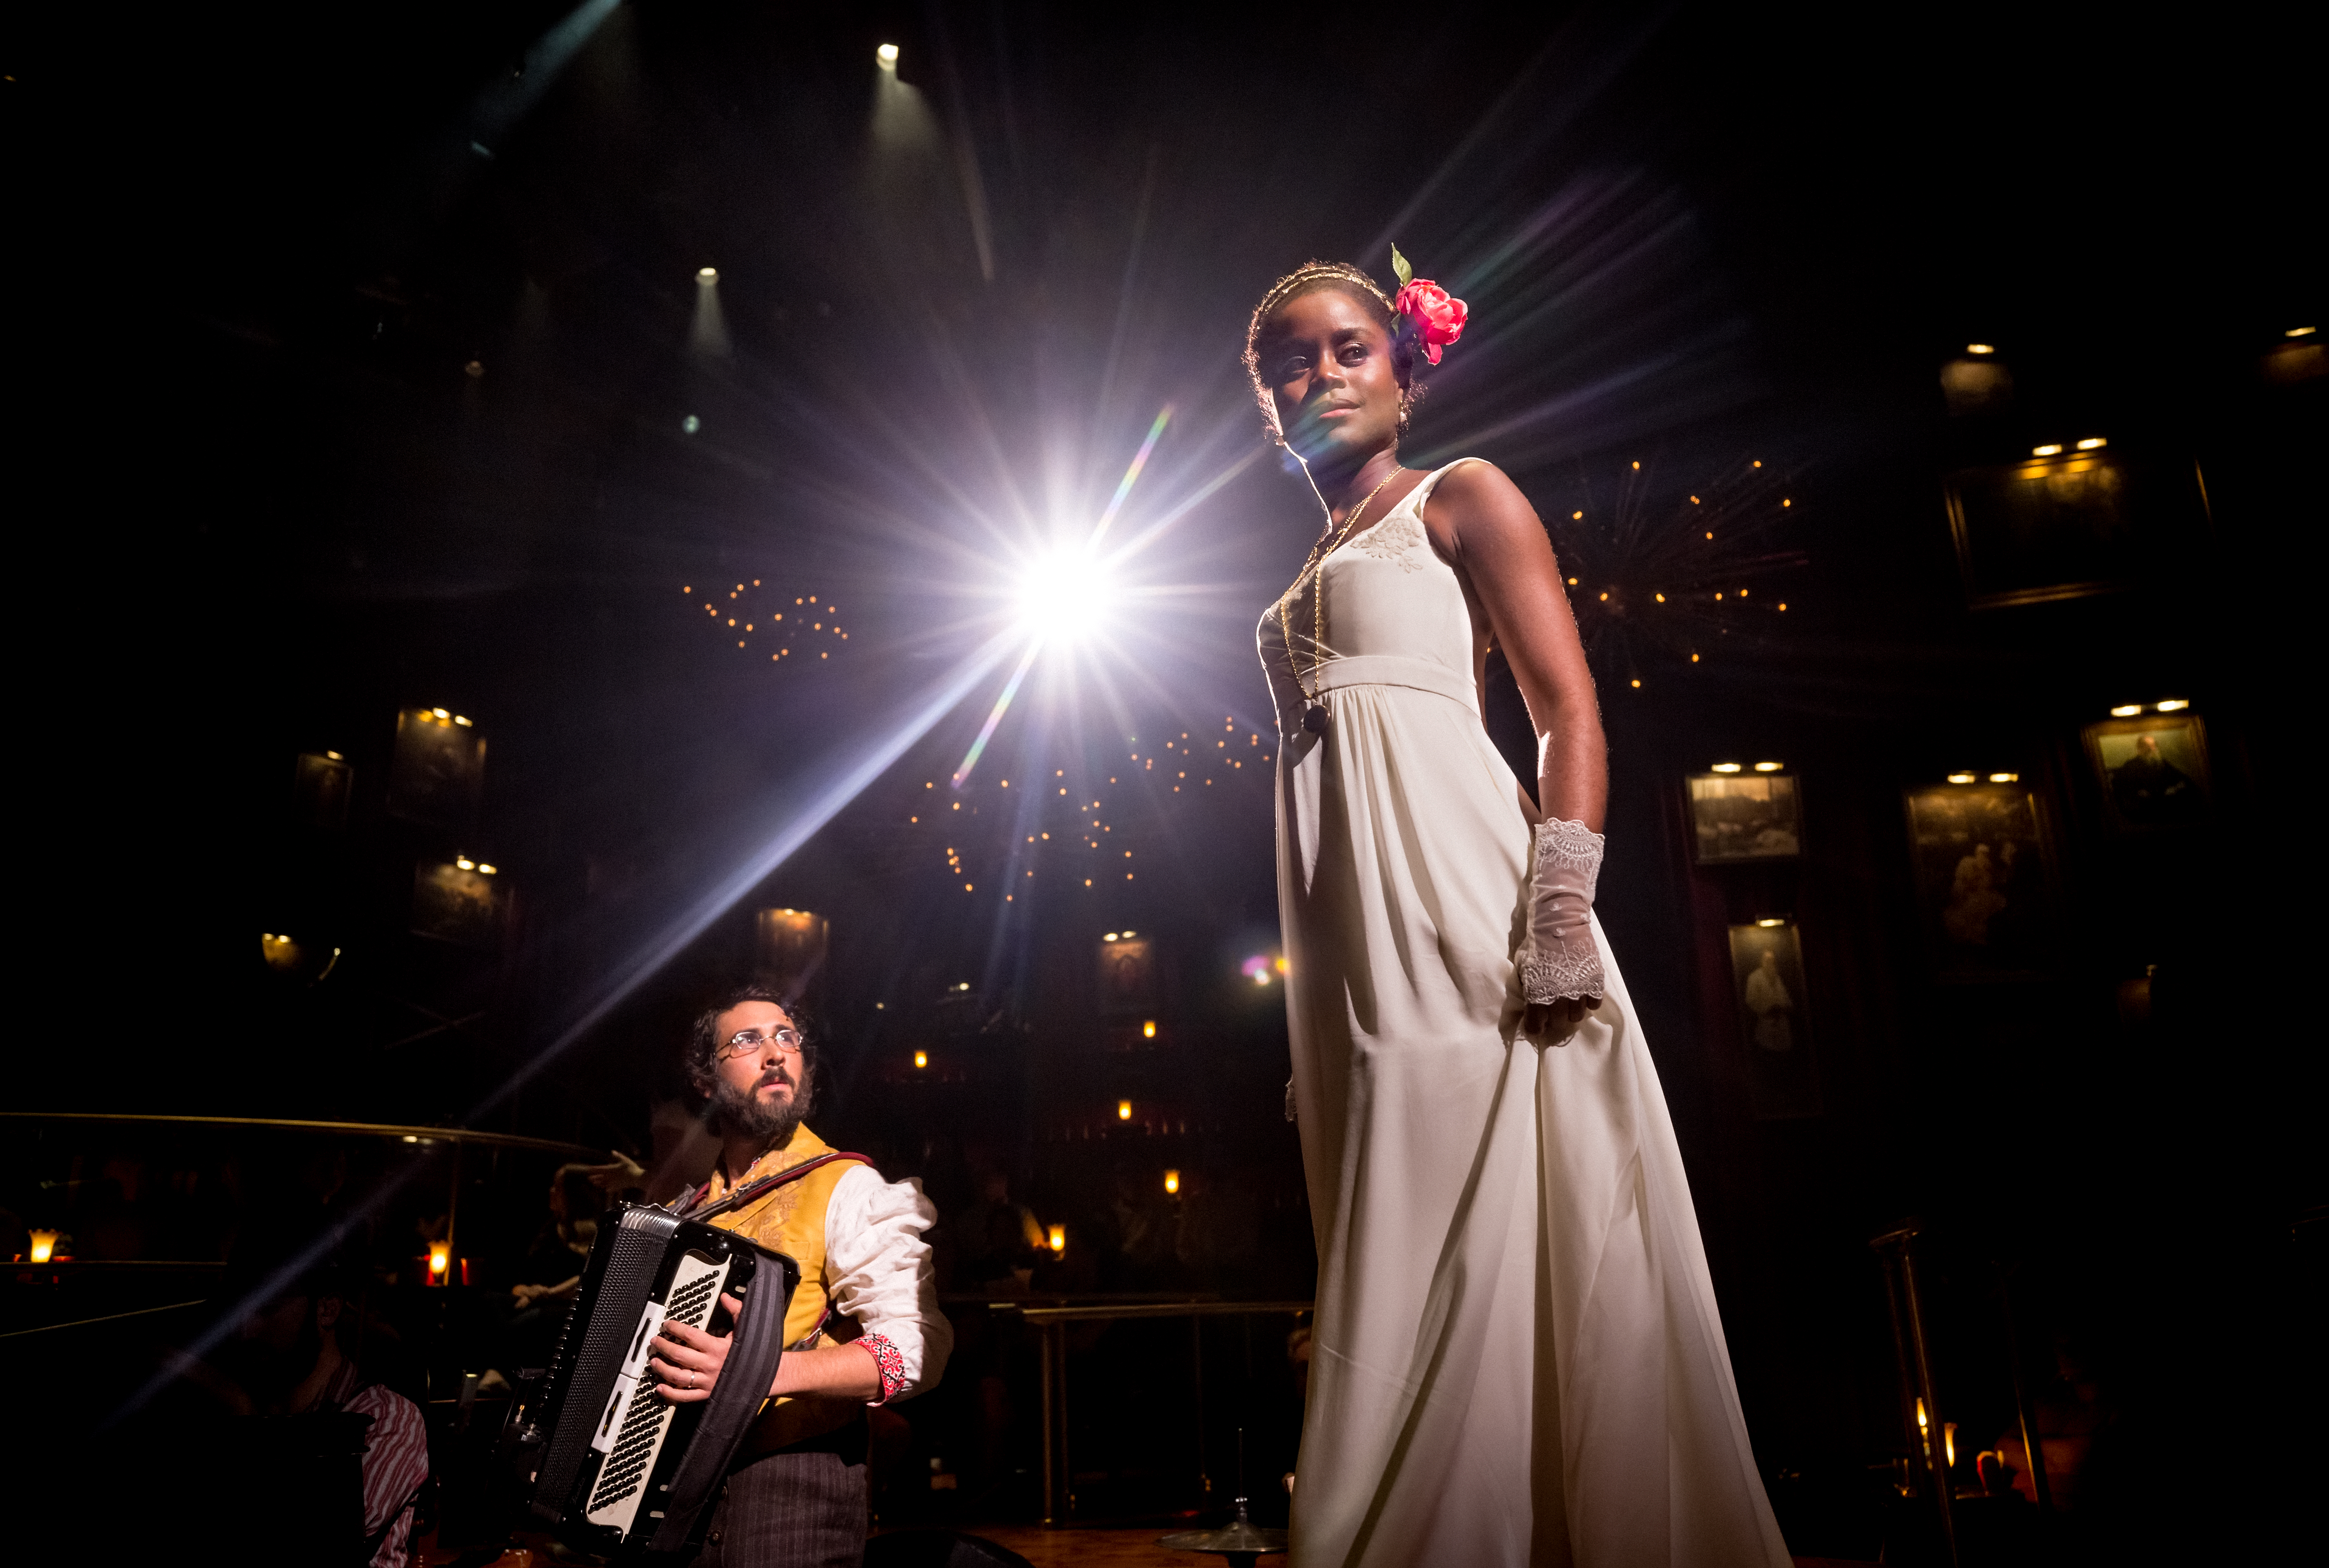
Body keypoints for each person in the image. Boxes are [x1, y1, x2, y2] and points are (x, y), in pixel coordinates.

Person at [1246, 255, 1790, 1566]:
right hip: (1346, 950)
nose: (1314, 377)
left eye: (1343, 351)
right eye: (1284, 366)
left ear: (1405, 372)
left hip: (1460, 905)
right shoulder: (1306, 554)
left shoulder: (1460, 496)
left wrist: (1557, 916)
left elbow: (1566, 713)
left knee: (1480, 1211)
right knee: (1383, 1216)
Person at [642, 983, 951, 1568]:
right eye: (748, 1041)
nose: (777, 1051)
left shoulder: (847, 1187)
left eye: (787, 1037)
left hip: (789, 1489)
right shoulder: (690, 1212)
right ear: (706, 1082)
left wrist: (763, 1371)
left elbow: (917, 1349)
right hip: (675, 1499)